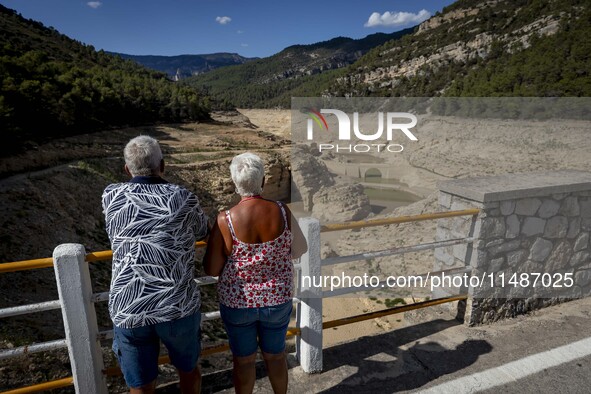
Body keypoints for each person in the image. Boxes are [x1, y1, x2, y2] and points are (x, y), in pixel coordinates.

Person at [102, 135, 208, 394]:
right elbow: (203, 230)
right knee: (189, 372)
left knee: (140, 385)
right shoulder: (182, 197)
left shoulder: (111, 195)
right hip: (176, 306)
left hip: (129, 308)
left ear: (127, 169)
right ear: (163, 165)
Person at [204, 152, 307, 394]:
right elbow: (300, 249)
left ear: (234, 183)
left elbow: (212, 269)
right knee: (276, 356)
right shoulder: (283, 212)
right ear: (262, 182)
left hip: (239, 304)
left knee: (243, 360)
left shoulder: (224, 220)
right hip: (277, 301)